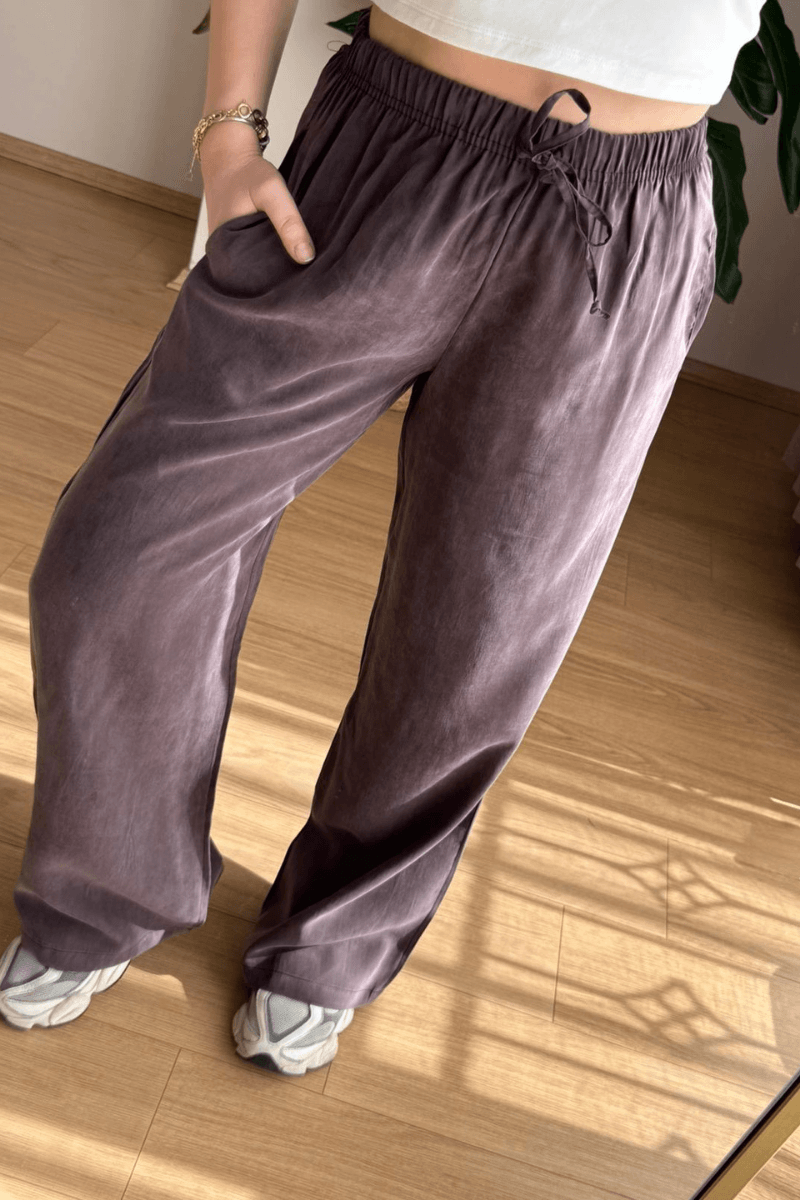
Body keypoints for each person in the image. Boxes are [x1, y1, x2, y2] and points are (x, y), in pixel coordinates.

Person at [0, 0, 760, 1077]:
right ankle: (109, 883)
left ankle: (334, 939)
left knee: (480, 632)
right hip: (388, 149)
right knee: (121, 551)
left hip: (621, 221)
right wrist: (228, 131)